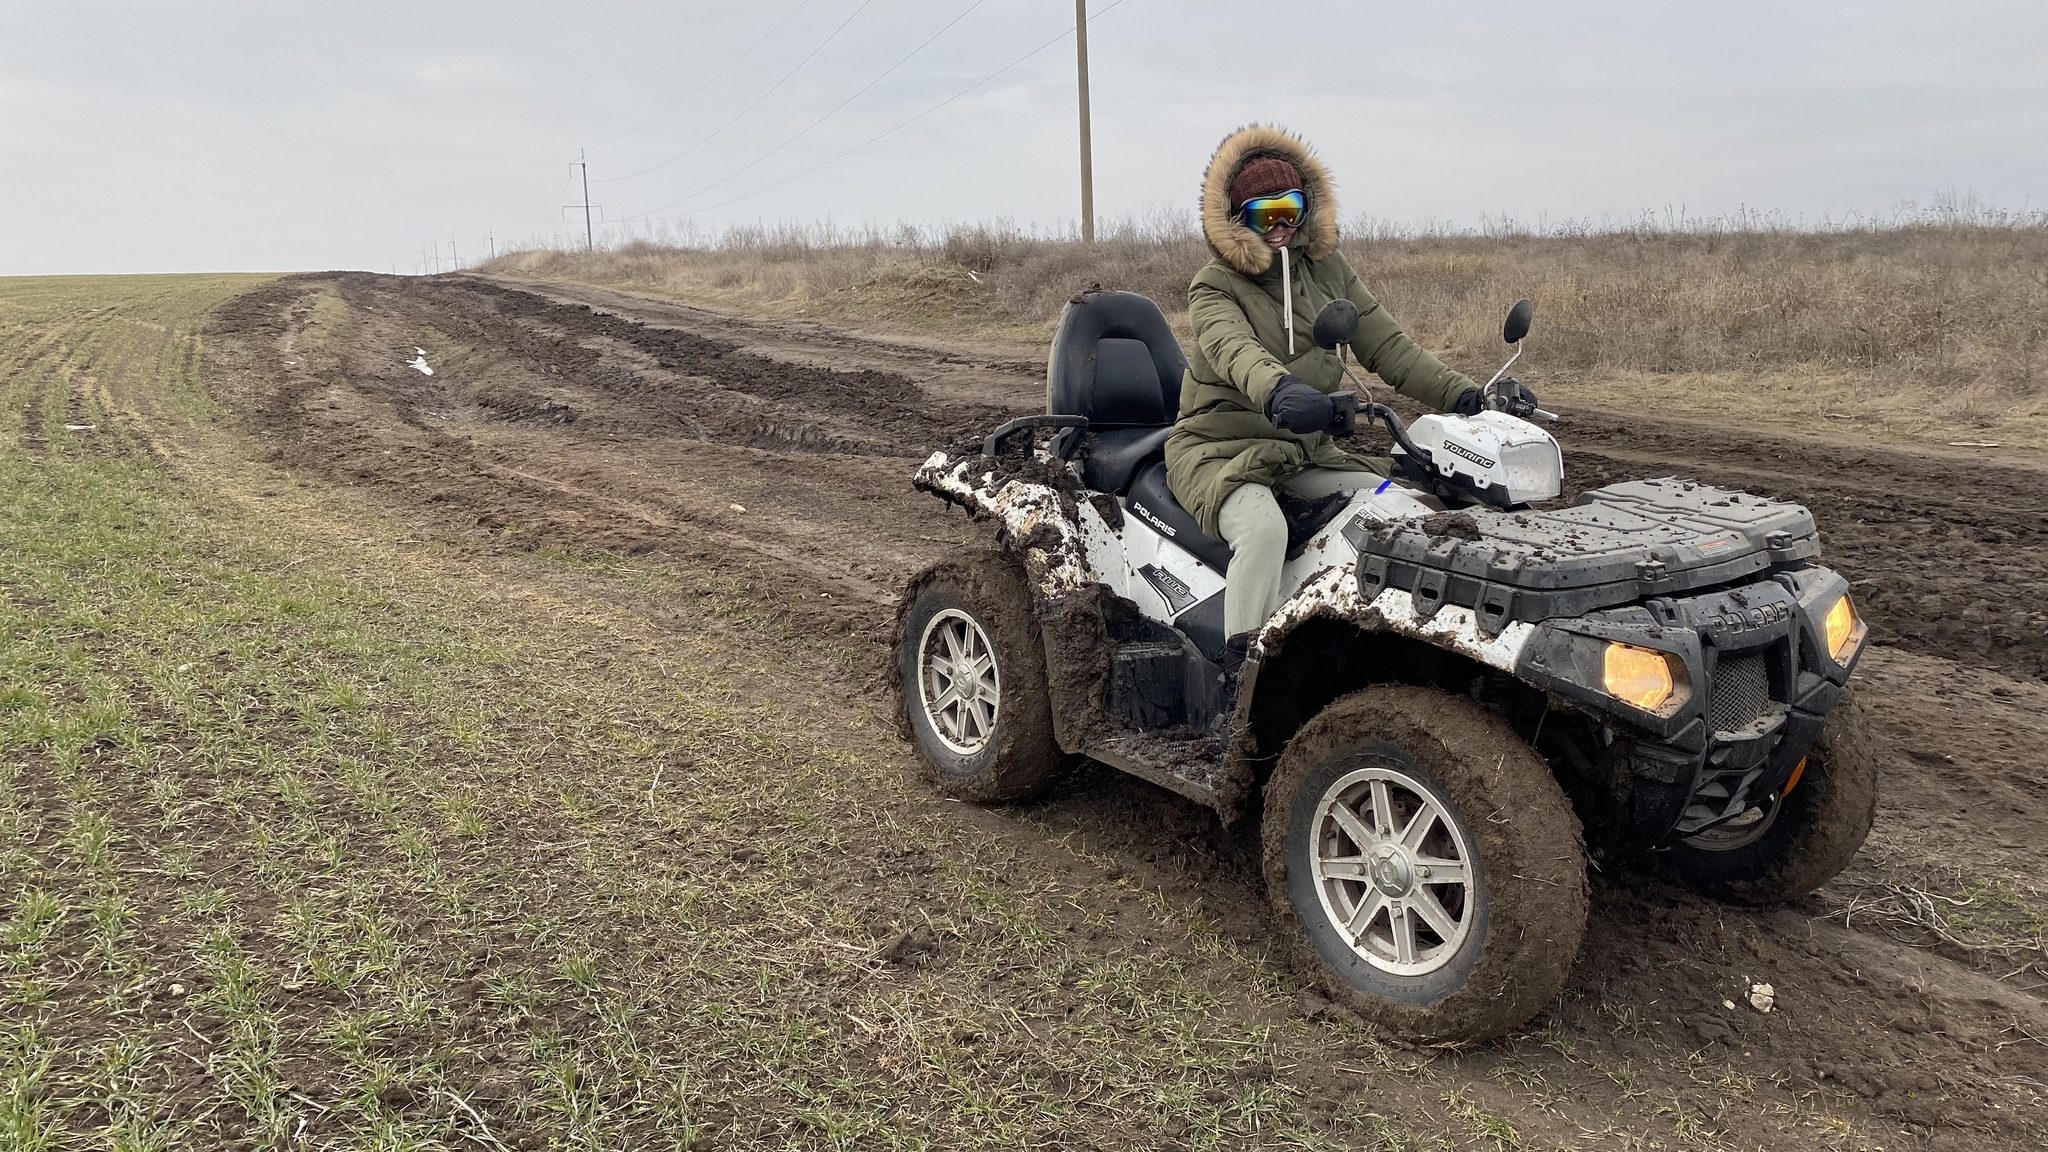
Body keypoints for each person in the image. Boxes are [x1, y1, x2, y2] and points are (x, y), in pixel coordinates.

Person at [1163, 124, 1536, 693]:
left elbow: (1388, 345)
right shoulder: (1213, 286)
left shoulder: (1330, 273)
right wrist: (1280, 391)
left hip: (1303, 450)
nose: (1281, 226)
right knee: (1262, 531)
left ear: (1308, 209)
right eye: (1265, 215)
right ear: (1238, 221)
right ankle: (1241, 677)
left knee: (1396, 501)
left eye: (1291, 209)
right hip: (1221, 450)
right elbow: (1233, 350)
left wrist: (1467, 398)